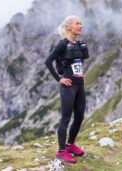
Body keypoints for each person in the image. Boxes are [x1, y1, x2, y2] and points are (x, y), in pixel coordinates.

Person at [45, 15, 89, 163]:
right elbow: (48, 61)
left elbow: (78, 63)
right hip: (68, 88)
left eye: (81, 23)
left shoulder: (79, 44)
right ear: (69, 27)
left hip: (79, 86)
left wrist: (82, 75)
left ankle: (70, 145)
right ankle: (61, 151)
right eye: (78, 23)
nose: (81, 26)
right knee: (65, 118)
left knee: (79, 117)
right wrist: (60, 79)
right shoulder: (62, 44)